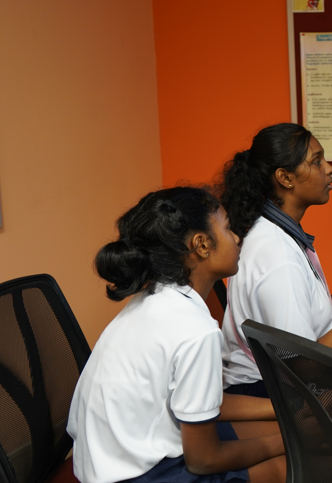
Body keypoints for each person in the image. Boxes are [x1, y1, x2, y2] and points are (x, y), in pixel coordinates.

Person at [67, 187, 286, 483]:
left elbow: (200, 400)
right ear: (201, 245)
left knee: (287, 432)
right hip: (142, 475)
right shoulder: (196, 330)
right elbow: (204, 461)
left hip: (108, 463)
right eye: (227, 228)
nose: (237, 238)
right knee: (295, 462)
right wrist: (283, 444)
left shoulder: (154, 299)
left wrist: (284, 409)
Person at [219, 123, 332, 396]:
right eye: (316, 161)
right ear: (285, 178)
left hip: (277, 384)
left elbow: (321, 320)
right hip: (268, 392)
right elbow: (305, 366)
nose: (329, 168)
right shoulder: (278, 255)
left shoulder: (275, 231)